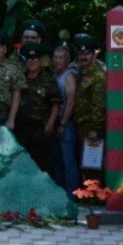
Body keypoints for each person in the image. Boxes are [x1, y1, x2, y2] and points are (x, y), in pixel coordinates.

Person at [14, 43, 60, 172]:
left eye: (35, 59)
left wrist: (50, 123)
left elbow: (56, 103)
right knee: (22, 163)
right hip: (22, 127)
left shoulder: (48, 78)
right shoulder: (20, 77)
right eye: (29, 59)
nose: (32, 62)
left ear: (40, 60)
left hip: (41, 128)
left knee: (41, 164)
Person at [71, 33, 107, 175]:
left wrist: (94, 129)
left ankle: (93, 198)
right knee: (85, 168)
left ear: (94, 54)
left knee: (92, 169)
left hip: (92, 131)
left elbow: (99, 104)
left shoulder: (97, 75)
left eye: (87, 53)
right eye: (80, 53)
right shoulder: (83, 72)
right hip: (82, 128)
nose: (83, 57)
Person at [51, 43, 79, 194]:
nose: (57, 60)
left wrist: (63, 123)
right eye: (55, 57)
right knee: (57, 161)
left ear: (67, 60)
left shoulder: (68, 76)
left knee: (68, 161)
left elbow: (71, 101)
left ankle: (72, 195)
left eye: (61, 57)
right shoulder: (54, 75)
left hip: (65, 123)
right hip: (55, 122)